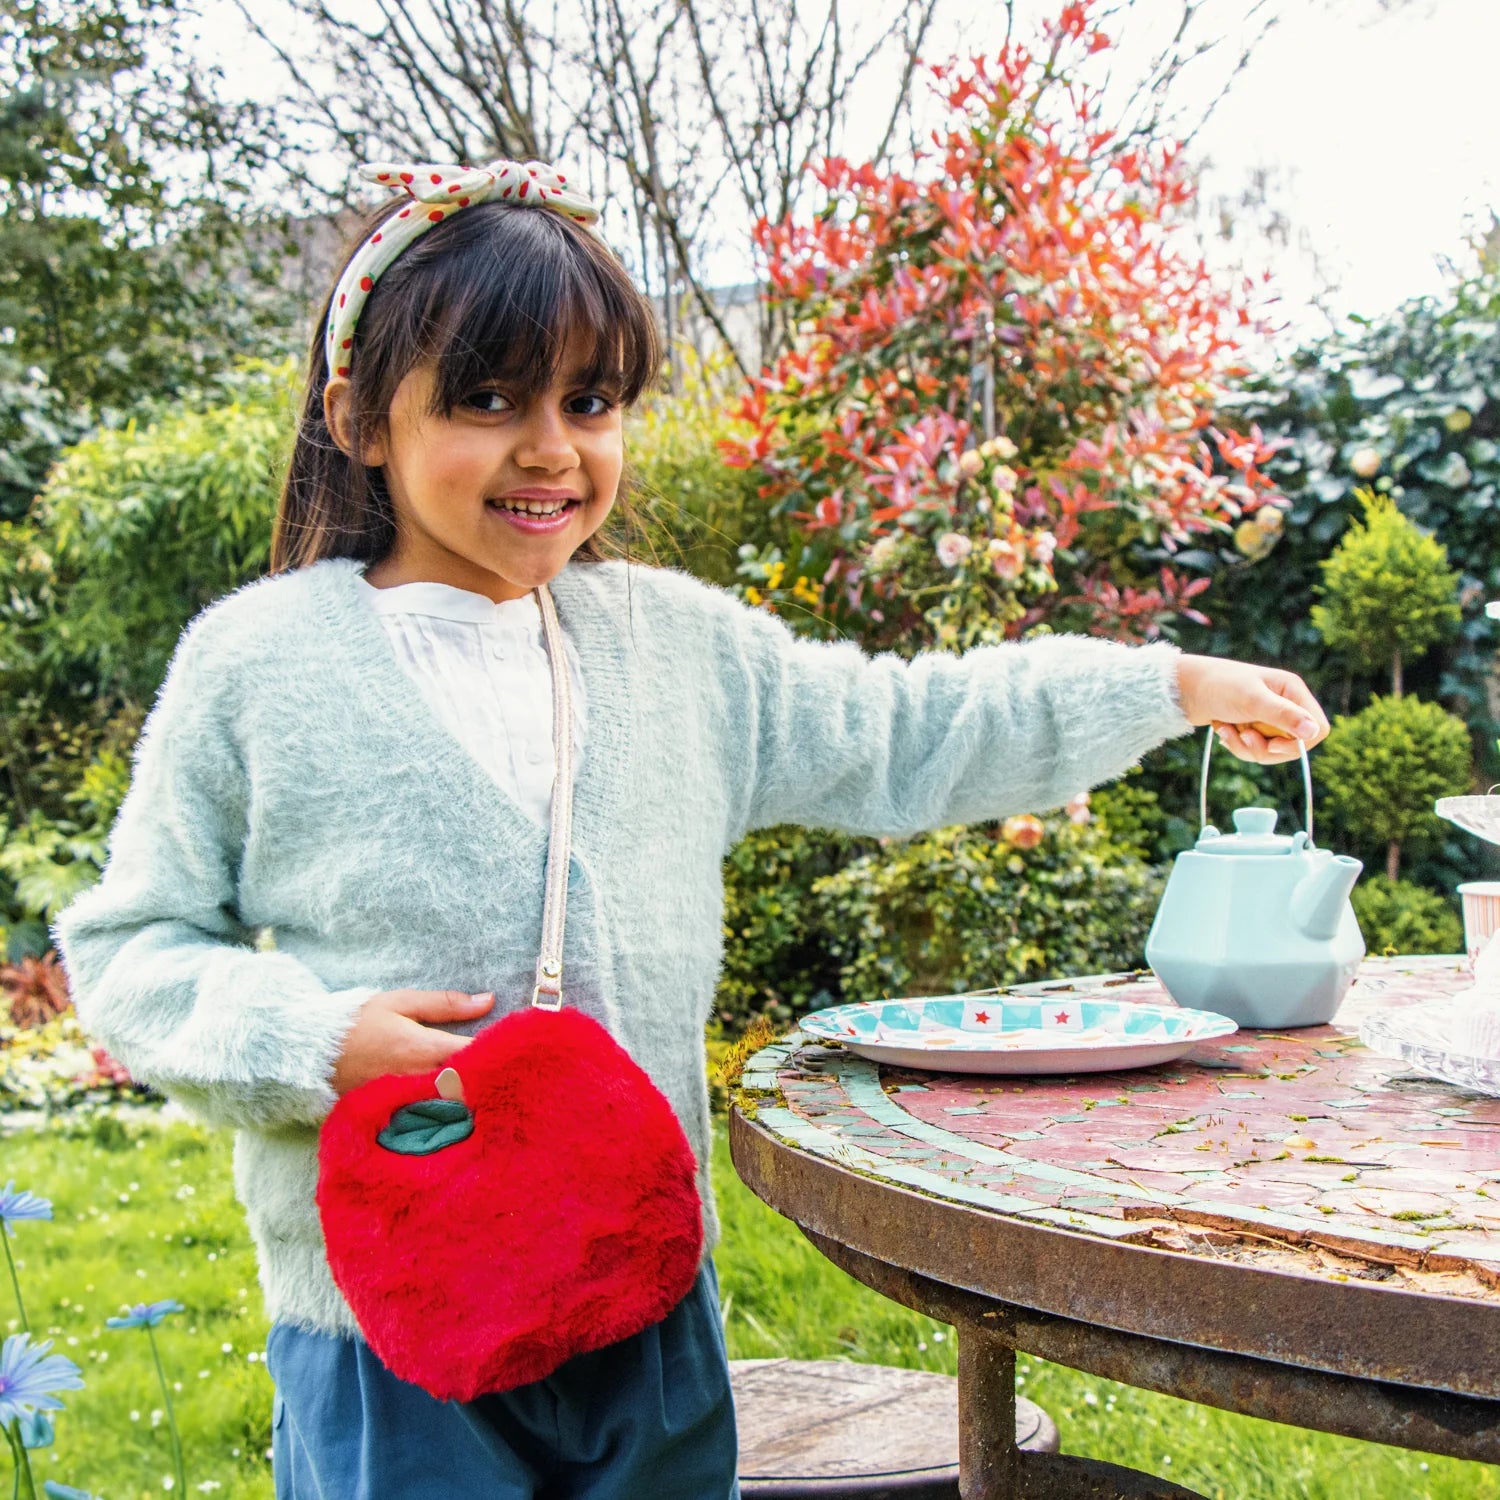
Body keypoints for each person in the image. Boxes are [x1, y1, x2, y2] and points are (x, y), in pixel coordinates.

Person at [51, 156, 1330, 1500]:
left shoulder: (680, 652)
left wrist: (1161, 686)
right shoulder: (259, 664)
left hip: (641, 1291)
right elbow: (132, 947)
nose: (551, 447)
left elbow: (910, 730)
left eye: (590, 401)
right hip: (388, 1317)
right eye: (486, 400)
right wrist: (320, 1041)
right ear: (360, 415)